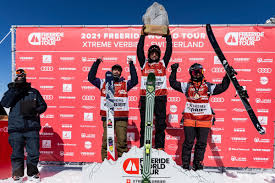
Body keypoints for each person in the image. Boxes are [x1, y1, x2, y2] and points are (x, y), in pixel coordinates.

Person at [169, 63, 230, 171]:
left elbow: (223, 87)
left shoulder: (208, 86)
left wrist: (227, 76)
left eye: (199, 72)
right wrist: (174, 70)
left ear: (202, 72)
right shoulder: (187, 86)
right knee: (188, 143)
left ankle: (198, 166)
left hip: (204, 120)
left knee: (201, 144)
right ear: (191, 74)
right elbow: (173, 83)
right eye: (194, 73)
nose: (197, 75)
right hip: (190, 120)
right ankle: (185, 167)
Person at [1, 69, 47, 182]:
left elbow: (43, 105)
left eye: (22, 75)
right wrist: (14, 90)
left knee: (34, 153)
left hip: (32, 127)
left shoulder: (33, 92)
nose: (19, 77)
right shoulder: (11, 91)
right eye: (18, 75)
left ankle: (32, 173)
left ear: (25, 76)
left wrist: (36, 111)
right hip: (16, 128)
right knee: (17, 153)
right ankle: (17, 174)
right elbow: (4, 103)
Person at [88, 58, 138, 161]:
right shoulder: (103, 83)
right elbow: (91, 78)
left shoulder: (125, 84)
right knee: (107, 142)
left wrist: (131, 65)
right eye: (114, 70)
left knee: (122, 142)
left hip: (121, 117)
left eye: (118, 70)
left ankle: (121, 165)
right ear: (111, 72)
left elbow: (135, 81)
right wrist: (96, 63)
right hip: (108, 117)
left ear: (120, 73)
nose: (116, 71)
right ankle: (105, 164)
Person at [137, 26, 172, 150]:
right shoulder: (144, 63)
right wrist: (142, 36)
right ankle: (143, 147)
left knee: (161, 124)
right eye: (151, 53)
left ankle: (159, 148)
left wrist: (168, 37)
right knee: (145, 124)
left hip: (160, 97)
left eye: (156, 53)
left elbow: (169, 51)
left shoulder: (163, 63)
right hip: (146, 97)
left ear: (158, 55)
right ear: (148, 54)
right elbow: (139, 51)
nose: (153, 55)